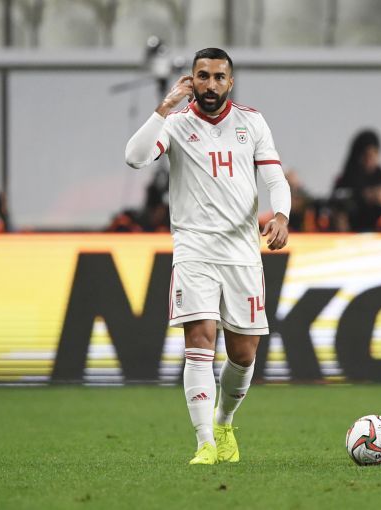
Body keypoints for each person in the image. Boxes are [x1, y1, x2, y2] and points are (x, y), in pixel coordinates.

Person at [124, 48, 290, 465]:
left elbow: (275, 179)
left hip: (242, 254)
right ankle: (204, 444)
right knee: (199, 343)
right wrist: (164, 106)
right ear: (191, 80)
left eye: (219, 77)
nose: (211, 84)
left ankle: (223, 421)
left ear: (230, 82)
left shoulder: (252, 122)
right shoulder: (176, 123)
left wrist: (282, 215)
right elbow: (135, 157)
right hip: (194, 250)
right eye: (203, 76)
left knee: (243, 354)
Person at [331, 129, 381, 232]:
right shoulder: (344, 181)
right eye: (366, 154)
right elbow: (336, 204)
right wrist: (361, 197)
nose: (370, 159)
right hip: (352, 233)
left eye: (374, 153)